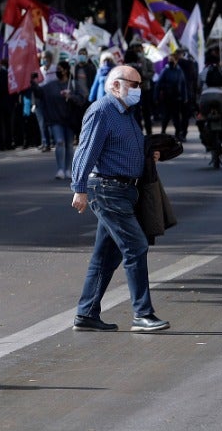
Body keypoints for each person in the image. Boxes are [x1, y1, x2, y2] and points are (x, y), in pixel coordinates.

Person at [69, 64, 169, 333]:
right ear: (115, 85)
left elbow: (123, 148)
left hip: (124, 191)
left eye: (140, 85)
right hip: (107, 189)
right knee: (135, 246)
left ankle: (86, 313)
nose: (139, 90)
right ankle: (142, 314)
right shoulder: (102, 110)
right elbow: (85, 150)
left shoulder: (125, 113)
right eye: (133, 84)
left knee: (106, 256)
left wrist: (150, 155)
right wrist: (79, 188)